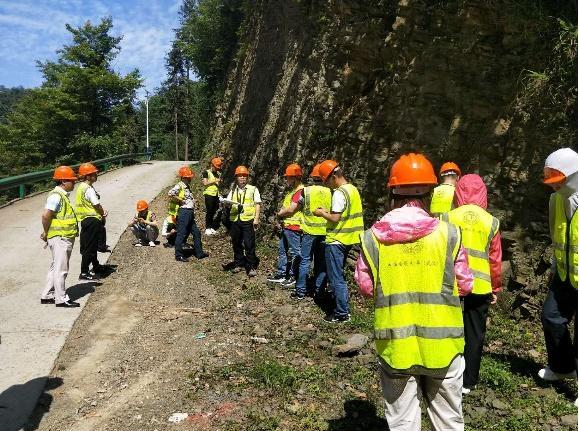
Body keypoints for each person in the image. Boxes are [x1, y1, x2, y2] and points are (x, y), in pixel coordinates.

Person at [355, 152, 474, 431]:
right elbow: (465, 285)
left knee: (402, 421)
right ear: (430, 193)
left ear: (392, 192)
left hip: (396, 345)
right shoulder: (450, 234)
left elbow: (366, 288)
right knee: (448, 420)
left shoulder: (372, 238)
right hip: (443, 346)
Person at [441, 174, 502, 395]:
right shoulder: (491, 222)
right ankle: (469, 381)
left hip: (453, 284)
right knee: (475, 334)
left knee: (447, 329)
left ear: (458, 192)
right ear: (483, 194)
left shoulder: (447, 217)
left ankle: (445, 373)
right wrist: (495, 288)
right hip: (480, 286)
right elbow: (495, 259)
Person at [538, 147, 578, 383]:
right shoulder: (555, 199)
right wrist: (555, 265)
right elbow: (556, 234)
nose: (554, 187)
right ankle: (563, 368)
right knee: (551, 316)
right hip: (565, 274)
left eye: (558, 181)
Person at [314, 159, 364, 323]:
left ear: (333, 177)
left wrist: (322, 213)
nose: (326, 185)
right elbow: (344, 213)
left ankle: (341, 313)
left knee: (336, 277)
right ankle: (341, 307)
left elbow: (335, 218)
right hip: (349, 239)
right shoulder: (353, 189)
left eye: (326, 181)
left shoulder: (339, 193)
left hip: (336, 239)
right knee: (339, 275)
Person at [277, 163, 332, 300]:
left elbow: (295, 208)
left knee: (305, 261)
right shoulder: (331, 192)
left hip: (309, 232)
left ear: (313, 177)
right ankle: (319, 292)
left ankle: (300, 291)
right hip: (325, 232)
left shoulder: (306, 192)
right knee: (321, 263)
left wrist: (281, 213)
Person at [40, 166, 81, 308]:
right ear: (63, 181)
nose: (74, 183)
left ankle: (47, 295)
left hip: (61, 237)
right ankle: (61, 299)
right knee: (61, 269)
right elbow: (46, 215)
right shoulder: (56, 196)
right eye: (72, 180)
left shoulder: (61, 195)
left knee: (55, 267)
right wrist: (46, 232)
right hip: (61, 238)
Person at [267, 163, 304, 287]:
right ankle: (282, 274)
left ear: (294, 178)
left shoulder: (300, 192)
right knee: (282, 251)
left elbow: (292, 209)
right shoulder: (293, 192)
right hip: (287, 226)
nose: (286, 179)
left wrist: (279, 214)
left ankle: (294, 276)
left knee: (295, 253)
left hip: (294, 227)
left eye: (288, 177)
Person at [222, 165, 261, 277]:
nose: (242, 177)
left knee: (249, 244)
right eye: (240, 176)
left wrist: (256, 219)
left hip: (248, 220)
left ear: (247, 177)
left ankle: (251, 266)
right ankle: (238, 263)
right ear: (236, 178)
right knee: (236, 243)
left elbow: (258, 204)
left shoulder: (253, 189)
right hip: (235, 220)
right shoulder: (233, 190)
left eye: (244, 176)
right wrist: (227, 204)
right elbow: (228, 205)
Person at [169, 166, 208, 262]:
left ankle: (199, 253)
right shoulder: (179, 185)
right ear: (183, 177)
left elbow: (187, 198)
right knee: (181, 233)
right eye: (188, 177)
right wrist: (180, 200)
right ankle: (178, 255)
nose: (190, 178)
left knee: (196, 232)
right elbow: (170, 193)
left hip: (189, 213)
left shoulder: (187, 187)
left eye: (190, 177)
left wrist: (193, 201)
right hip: (184, 212)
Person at [75, 162, 107, 280]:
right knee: (89, 248)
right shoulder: (88, 189)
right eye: (93, 174)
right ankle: (84, 272)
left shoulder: (81, 187)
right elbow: (96, 205)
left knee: (90, 245)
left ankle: (96, 266)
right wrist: (102, 213)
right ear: (87, 176)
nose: (96, 175)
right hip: (92, 220)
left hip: (85, 220)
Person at [202, 157, 223, 235]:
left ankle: (211, 227)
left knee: (214, 211)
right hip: (209, 194)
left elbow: (218, 185)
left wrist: (219, 181)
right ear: (212, 165)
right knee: (209, 211)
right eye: (216, 167)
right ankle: (207, 228)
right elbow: (205, 183)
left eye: (218, 167)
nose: (217, 169)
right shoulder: (206, 172)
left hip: (216, 194)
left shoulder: (217, 174)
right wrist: (215, 180)